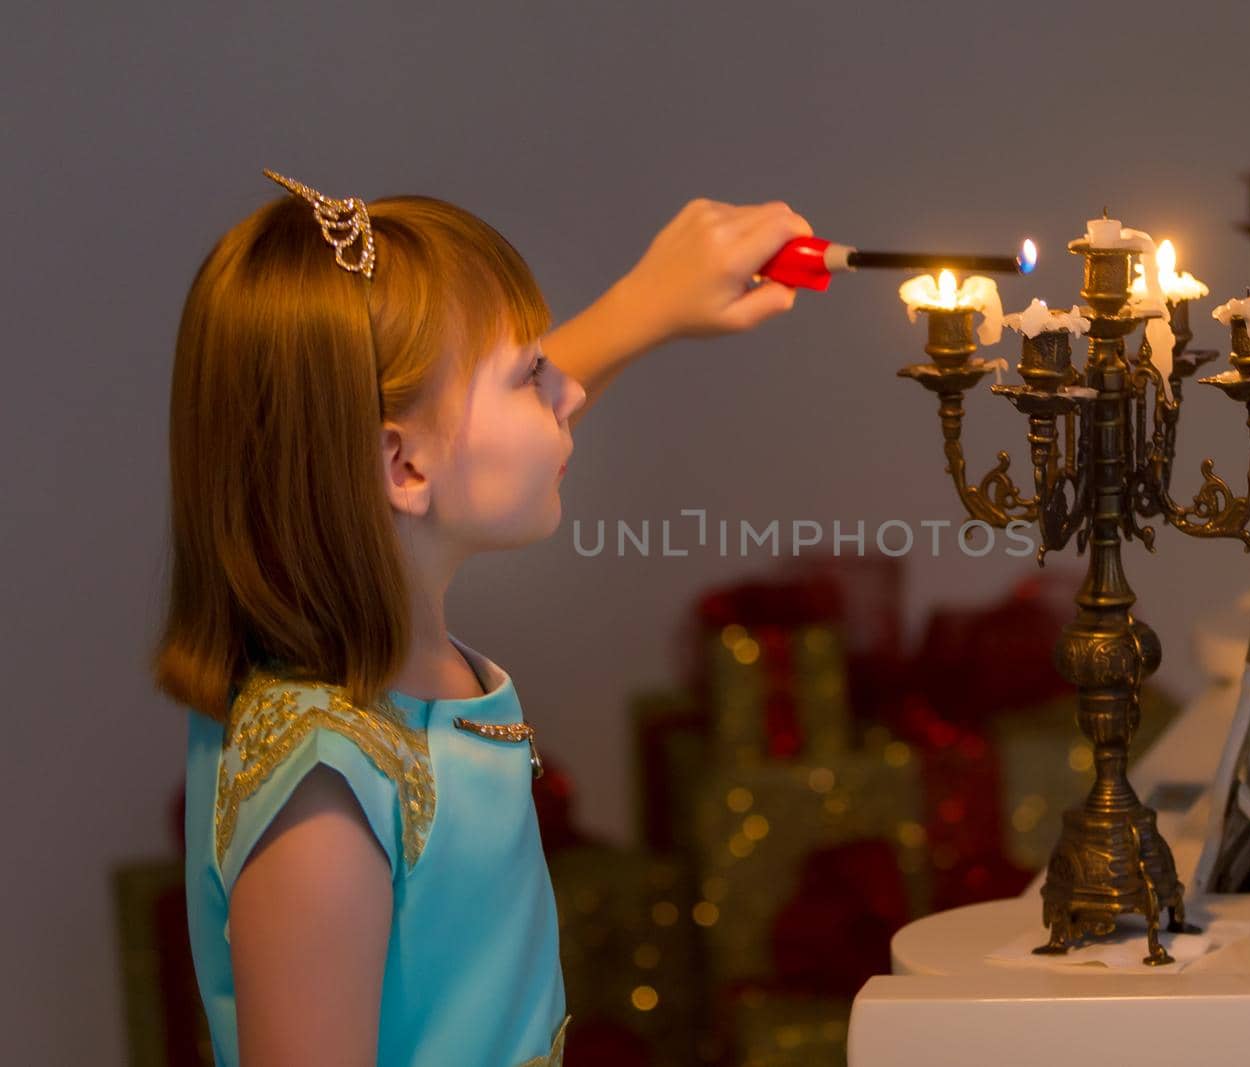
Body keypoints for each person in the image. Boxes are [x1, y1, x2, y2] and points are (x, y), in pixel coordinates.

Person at [154, 169, 810, 1066]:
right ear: (402, 466)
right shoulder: (324, 796)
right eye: (530, 373)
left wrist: (652, 304)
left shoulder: (385, 671)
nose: (568, 392)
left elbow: (463, 427)